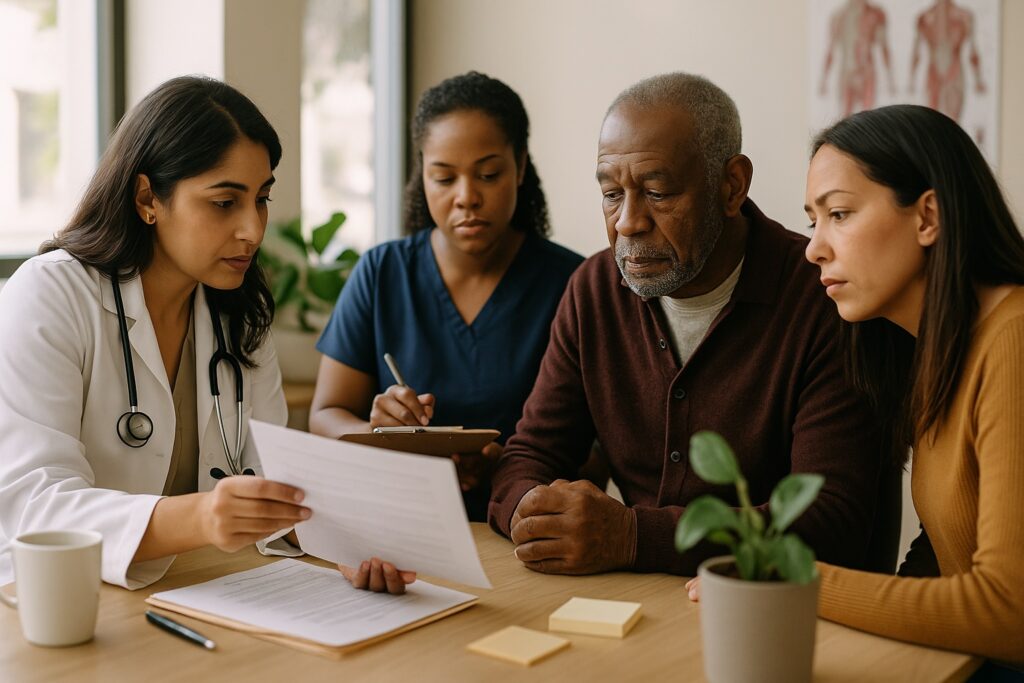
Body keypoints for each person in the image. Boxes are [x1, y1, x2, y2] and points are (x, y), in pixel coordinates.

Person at [0, 76, 411, 595]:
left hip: (202, 593)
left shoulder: (236, 310)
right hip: (65, 600)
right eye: (224, 203)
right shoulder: (51, 295)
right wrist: (200, 518)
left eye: (261, 199)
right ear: (148, 197)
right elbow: (34, 505)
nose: (254, 230)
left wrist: (346, 548)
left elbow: (271, 485)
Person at [489, 72, 897, 577]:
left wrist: (633, 536)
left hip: (784, 615)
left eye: (657, 192)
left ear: (732, 186)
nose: (627, 222)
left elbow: (830, 521)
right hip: (635, 609)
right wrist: (533, 511)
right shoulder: (593, 289)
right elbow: (529, 455)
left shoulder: (825, 296)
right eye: (612, 194)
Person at [799, 106, 1021, 669]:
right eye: (813, 222)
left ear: (928, 217)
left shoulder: (1014, 342)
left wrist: (795, 580)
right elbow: (945, 552)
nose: (814, 249)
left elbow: (1008, 609)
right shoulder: (937, 349)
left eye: (840, 214)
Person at [309, 71, 584, 522]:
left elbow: (597, 451)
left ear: (520, 166)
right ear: (423, 175)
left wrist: (508, 464)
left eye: (489, 174)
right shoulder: (382, 273)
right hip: (396, 526)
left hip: (522, 530)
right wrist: (377, 433)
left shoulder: (573, 284)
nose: (466, 197)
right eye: (443, 178)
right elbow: (324, 417)